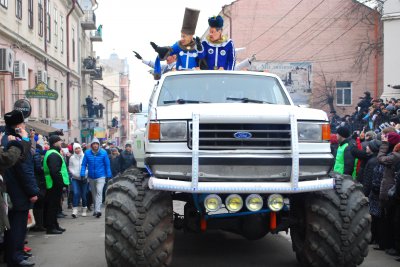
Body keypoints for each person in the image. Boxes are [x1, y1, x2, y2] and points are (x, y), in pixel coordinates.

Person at [1, 110, 39, 267]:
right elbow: (24, 168)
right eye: (23, 123)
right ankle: (15, 257)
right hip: (18, 191)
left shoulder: (5, 138)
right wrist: (32, 191)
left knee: (11, 226)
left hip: (9, 189)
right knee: (17, 226)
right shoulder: (15, 141)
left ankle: (13, 255)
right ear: (19, 125)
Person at [43, 135, 70, 234]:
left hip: (53, 183)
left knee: (54, 206)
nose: (61, 143)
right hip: (54, 184)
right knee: (52, 206)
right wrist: (60, 183)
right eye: (60, 141)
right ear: (55, 143)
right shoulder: (54, 154)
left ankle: (55, 225)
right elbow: (54, 171)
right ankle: (51, 227)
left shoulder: (52, 153)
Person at [80, 137, 112, 218]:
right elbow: (83, 164)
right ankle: (95, 209)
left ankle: (98, 210)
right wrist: (82, 174)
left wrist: (108, 175)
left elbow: (107, 165)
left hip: (101, 176)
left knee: (99, 191)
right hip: (91, 176)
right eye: (93, 144)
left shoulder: (103, 153)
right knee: (94, 194)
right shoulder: (87, 153)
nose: (95, 145)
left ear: (99, 145)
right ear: (91, 145)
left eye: (96, 144)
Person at [68, 143, 88, 218]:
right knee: (76, 193)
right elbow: (70, 167)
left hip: (84, 178)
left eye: (79, 148)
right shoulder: (72, 158)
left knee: (84, 195)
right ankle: (75, 210)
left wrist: (85, 174)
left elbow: (88, 167)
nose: (77, 150)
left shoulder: (85, 156)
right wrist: (74, 174)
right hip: (75, 179)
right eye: (76, 148)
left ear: (81, 148)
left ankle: (84, 209)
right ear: (73, 149)